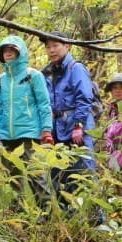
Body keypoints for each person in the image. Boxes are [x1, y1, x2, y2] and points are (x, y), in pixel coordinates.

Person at [0, 35, 53, 205]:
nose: (8, 53)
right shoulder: (1, 80)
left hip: (30, 134)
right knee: (13, 180)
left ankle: (48, 218)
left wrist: (46, 129)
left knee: (37, 176)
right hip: (7, 136)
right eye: (4, 50)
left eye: (12, 50)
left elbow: (44, 104)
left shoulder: (34, 76)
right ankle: (21, 219)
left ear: (21, 53)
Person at [39, 34, 98, 211]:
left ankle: (95, 222)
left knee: (84, 176)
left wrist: (78, 125)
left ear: (67, 46)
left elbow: (84, 97)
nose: (51, 50)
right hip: (57, 132)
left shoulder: (76, 68)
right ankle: (67, 225)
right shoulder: (47, 73)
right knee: (59, 179)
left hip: (76, 130)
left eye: (55, 45)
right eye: (48, 47)